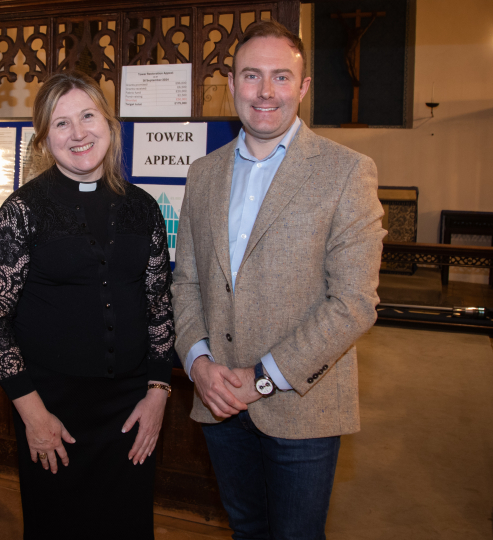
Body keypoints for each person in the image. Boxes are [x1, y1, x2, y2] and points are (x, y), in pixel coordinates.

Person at [171, 20, 385, 540]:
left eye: (281, 77)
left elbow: (354, 302)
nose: (266, 92)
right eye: (251, 76)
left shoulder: (346, 171)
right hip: (219, 403)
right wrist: (198, 363)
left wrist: (262, 378)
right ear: (231, 84)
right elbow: (187, 284)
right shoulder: (203, 174)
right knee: (245, 527)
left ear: (304, 87)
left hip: (301, 407)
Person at [0, 70, 175, 540]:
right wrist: (33, 414)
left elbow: (159, 308)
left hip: (130, 410)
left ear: (110, 124)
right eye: (61, 123)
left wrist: (157, 393)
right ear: (45, 139)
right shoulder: (21, 212)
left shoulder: (143, 208)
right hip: (52, 412)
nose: (79, 133)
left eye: (88, 116)